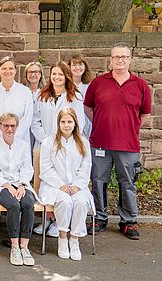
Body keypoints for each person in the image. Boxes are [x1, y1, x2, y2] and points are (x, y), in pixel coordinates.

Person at [84, 42, 151, 239]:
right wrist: (101, 123)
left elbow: (145, 113)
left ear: (130, 59)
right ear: (110, 60)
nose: (120, 60)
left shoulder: (140, 85)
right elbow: (88, 108)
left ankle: (128, 221)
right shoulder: (98, 83)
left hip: (128, 145)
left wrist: (130, 127)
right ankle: (99, 218)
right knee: (98, 181)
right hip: (101, 142)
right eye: (116, 57)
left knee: (127, 183)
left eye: (124, 57)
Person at [31, 62, 85, 237]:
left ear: (66, 76)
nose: (57, 77)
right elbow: (35, 120)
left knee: (64, 181)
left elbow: (79, 123)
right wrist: (46, 140)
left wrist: (64, 140)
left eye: (60, 74)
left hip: (67, 145)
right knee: (44, 181)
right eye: (54, 74)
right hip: (44, 144)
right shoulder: (42, 95)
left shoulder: (74, 97)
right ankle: (46, 219)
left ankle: (58, 223)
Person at [39, 108, 94, 261]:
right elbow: (46, 169)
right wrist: (60, 185)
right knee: (64, 201)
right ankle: (63, 238)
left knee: (82, 202)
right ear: (58, 124)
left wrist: (77, 185)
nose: (66, 125)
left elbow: (86, 166)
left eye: (69, 122)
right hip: (54, 185)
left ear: (75, 123)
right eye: (63, 122)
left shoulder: (83, 142)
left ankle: (74, 239)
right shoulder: (49, 142)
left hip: (77, 185)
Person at [0, 112, 36, 266]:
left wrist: (22, 185)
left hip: (20, 183)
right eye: (6, 125)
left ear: (17, 126)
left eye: (12, 126)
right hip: (0, 185)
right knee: (13, 205)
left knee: (28, 204)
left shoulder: (23, 145)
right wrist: (8, 186)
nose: (9, 129)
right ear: (0, 126)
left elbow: (27, 168)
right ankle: (14, 247)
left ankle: (24, 247)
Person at [0, 56, 33, 144]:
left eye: (11, 68)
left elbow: (27, 118)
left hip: (19, 142)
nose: (7, 71)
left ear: (15, 71)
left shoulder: (25, 92)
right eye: (4, 68)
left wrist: (13, 138)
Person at [67, 54, 95, 137]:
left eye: (80, 64)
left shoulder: (91, 85)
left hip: (88, 125)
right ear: (69, 67)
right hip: (69, 126)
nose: (77, 68)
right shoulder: (65, 86)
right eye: (74, 65)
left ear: (85, 66)